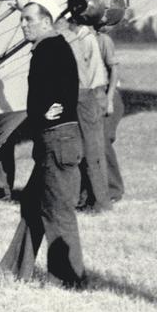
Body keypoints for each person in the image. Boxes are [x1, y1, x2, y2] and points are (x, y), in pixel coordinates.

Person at [0, 0, 87, 288]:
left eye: (28, 19)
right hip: (54, 139)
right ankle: (13, 269)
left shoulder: (50, 49)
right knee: (33, 204)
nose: (23, 25)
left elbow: (58, 97)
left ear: (46, 22)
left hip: (57, 139)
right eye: (22, 19)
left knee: (57, 210)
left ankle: (68, 278)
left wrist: (48, 115)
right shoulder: (50, 47)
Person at [57, 12, 111, 212]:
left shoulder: (76, 39)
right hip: (87, 95)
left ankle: (99, 201)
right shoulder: (80, 38)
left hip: (85, 95)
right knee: (88, 151)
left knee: (91, 151)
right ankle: (88, 198)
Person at [96, 25, 125, 205]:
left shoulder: (103, 40)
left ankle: (114, 189)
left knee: (104, 142)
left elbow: (114, 70)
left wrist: (110, 99)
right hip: (95, 96)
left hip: (108, 94)